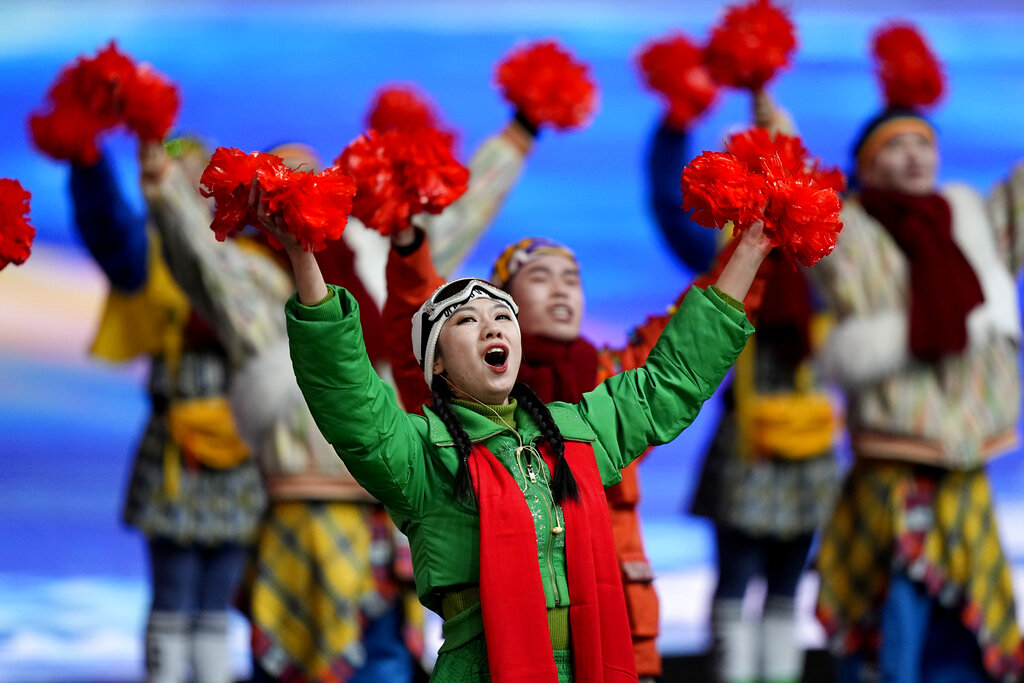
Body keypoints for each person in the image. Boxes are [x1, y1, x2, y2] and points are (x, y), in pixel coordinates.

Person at [263, 140, 771, 683]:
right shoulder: (420, 455)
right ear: (435, 364)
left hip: (591, 663)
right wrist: (303, 257)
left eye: (501, 316)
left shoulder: (577, 430)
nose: (491, 327)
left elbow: (671, 379)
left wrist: (751, 248)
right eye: (465, 320)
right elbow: (346, 393)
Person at [138, 139, 422, 683]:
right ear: (258, 195)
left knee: (384, 662)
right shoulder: (254, 289)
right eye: (285, 177)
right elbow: (197, 253)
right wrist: (160, 174)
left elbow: (447, 230)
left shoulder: (375, 268)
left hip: (386, 517)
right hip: (292, 514)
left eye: (318, 177)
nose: (304, 188)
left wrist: (523, 129)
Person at [383, 226, 677, 681]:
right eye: (540, 277)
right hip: (505, 648)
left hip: (622, 628)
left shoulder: (615, 375)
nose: (560, 288)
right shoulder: (462, 404)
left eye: (572, 278)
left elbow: (690, 347)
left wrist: (755, 241)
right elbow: (422, 327)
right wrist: (409, 249)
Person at [808, 104, 1024, 682]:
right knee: (896, 613)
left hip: (967, 456)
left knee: (966, 614)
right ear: (868, 165)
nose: (914, 157)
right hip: (893, 459)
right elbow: (794, 195)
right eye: (896, 147)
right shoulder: (848, 229)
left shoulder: (971, 221)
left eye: (923, 145)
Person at [647, 91, 840, 683]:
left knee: (787, 584)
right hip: (750, 437)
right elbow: (666, 203)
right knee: (736, 574)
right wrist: (674, 124)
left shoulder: (826, 252)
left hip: (806, 437)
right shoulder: (722, 248)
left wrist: (777, 119)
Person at [67, 141, 266, 683]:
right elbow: (108, 227)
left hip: (242, 445)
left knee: (219, 597)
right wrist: (89, 163)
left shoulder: (253, 267)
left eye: (195, 180)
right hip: (178, 447)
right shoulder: (150, 256)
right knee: (174, 590)